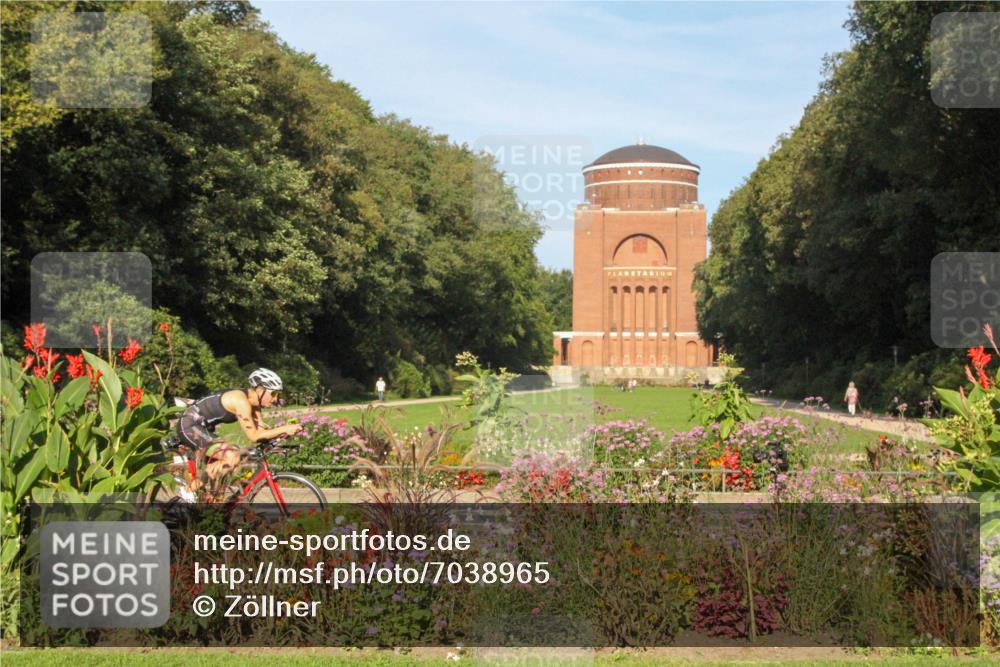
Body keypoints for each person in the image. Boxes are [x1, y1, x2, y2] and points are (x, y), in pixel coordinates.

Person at [176, 368, 302, 489]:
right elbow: (253, 436)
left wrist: (281, 435)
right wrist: (284, 428)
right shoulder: (241, 401)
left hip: (203, 428)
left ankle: (210, 501)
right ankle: (191, 489)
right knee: (232, 456)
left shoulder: (254, 403)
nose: (276, 399)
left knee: (231, 462)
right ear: (260, 390)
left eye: (278, 394)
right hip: (189, 426)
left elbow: (261, 431)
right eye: (273, 393)